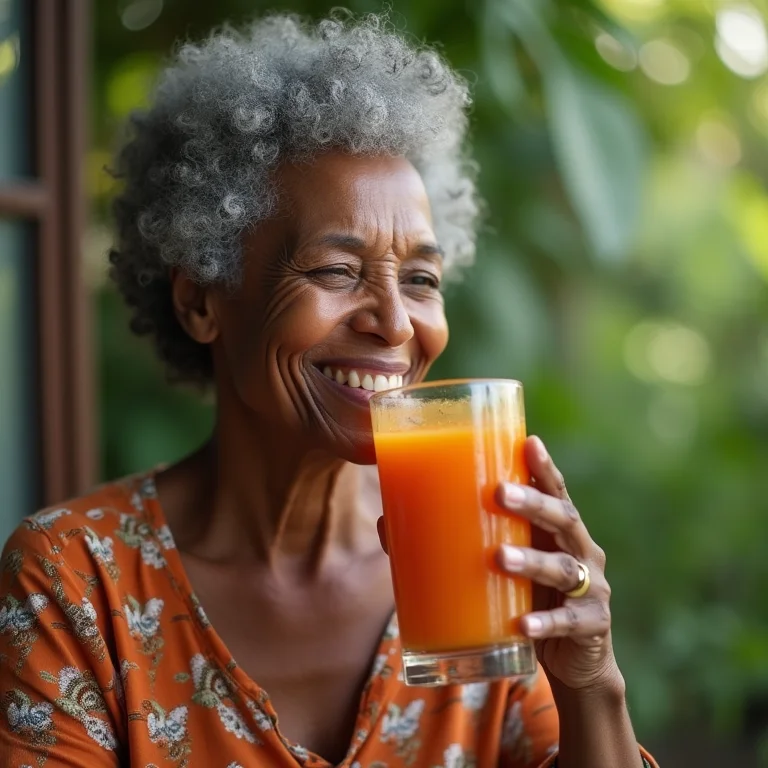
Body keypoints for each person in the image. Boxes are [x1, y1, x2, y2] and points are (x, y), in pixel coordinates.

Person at [0, 12, 657, 768]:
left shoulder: (478, 568)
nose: (393, 323)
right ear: (202, 303)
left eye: (420, 280)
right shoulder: (77, 582)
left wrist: (590, 684)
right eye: (336, 271)